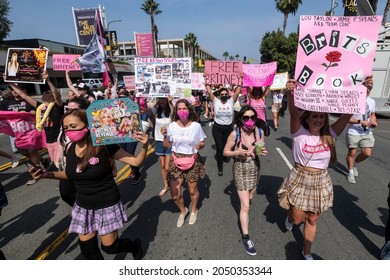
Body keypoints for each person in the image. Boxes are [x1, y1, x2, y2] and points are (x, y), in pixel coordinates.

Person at [29, 109, 148, 260]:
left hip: (106, 205)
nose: (69, 131)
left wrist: (144, 147)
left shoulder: (104, 146)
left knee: (110, 247)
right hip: (83, 207)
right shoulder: (69, 147)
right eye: (65, 128)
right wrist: (48, 174)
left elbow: (136, 161)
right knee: (89, 251)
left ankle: (134, 246)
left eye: (73, 126)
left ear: (88, 125)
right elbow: (71, 174)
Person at [277, 77, 372, 260]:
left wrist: (363, 91)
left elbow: (346, 114)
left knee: (312, 219)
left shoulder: (331, 133)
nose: (318, 119)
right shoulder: (298, 132)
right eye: (314, 116)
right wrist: (291, 93)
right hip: (300, 178)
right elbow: (294, 113)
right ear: (308, 117)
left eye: (321, 116)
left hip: (321, 180)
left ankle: (307, 251)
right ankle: (289, 219)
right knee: (298, 218)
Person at [223, 105, 267, 256]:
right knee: (246, 206)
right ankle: (246, 237)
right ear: (241, 119)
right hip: (240, 168)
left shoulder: (259, 132)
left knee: (250, 197)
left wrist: (262, 151)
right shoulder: (235, 134)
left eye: (252, 117)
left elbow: (260, 148)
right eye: (246, 118)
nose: (249, 120)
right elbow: (225, 152)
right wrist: (237, 152)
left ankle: (244, 205)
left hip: (255, 167)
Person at [161, 99, 206, 227]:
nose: (182, 111)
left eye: (184, 108)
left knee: (192, 190)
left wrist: (200, 145)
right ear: (176, 111)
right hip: (176, 160)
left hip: (192, 159)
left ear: (189, 110)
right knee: (175, 195)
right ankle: (183, 210)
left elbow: (202, 142)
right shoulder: (172, 126)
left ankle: (193, 210)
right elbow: (166, 146)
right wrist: (165, 136)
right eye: (179, 109)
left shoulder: (196, 126)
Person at [345, 78, 376, 184]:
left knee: (367, 153)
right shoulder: (353, 100)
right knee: (352, 152)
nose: (368, 91)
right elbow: (346, 119)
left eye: (369, 90)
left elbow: (372, 115)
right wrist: (360, 121)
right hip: (353, 131)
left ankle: (354, 165)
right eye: (366, 89)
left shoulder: (372, 101)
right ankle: (350, 172)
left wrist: (373, 121)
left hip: (367, 131)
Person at [206, 84, 240, 176]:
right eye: (222, 94)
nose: (224, 96)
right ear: (219, 95)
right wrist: (207, 82)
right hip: (217, 128)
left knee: (227, 146)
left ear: (228, 95)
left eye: (226, 94)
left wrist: (239, 81)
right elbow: (209, 91)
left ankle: (225, 156)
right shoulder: (216, 101)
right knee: (220, 147)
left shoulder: (231, 101)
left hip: (229, 128)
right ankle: (220, 166)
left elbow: (237, 91)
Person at [152, 95, 174, 196]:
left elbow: (175, 115)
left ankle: (174, 179)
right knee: (162, 165)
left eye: (163, 98)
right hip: (159, 140)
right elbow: (142, 111)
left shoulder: (171, 110)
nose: (162, 101)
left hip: (170, 140)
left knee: (167, 166)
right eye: (160, 98)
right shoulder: (155, 110)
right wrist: (139, 98)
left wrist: (170, 102)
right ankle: (166, 185)